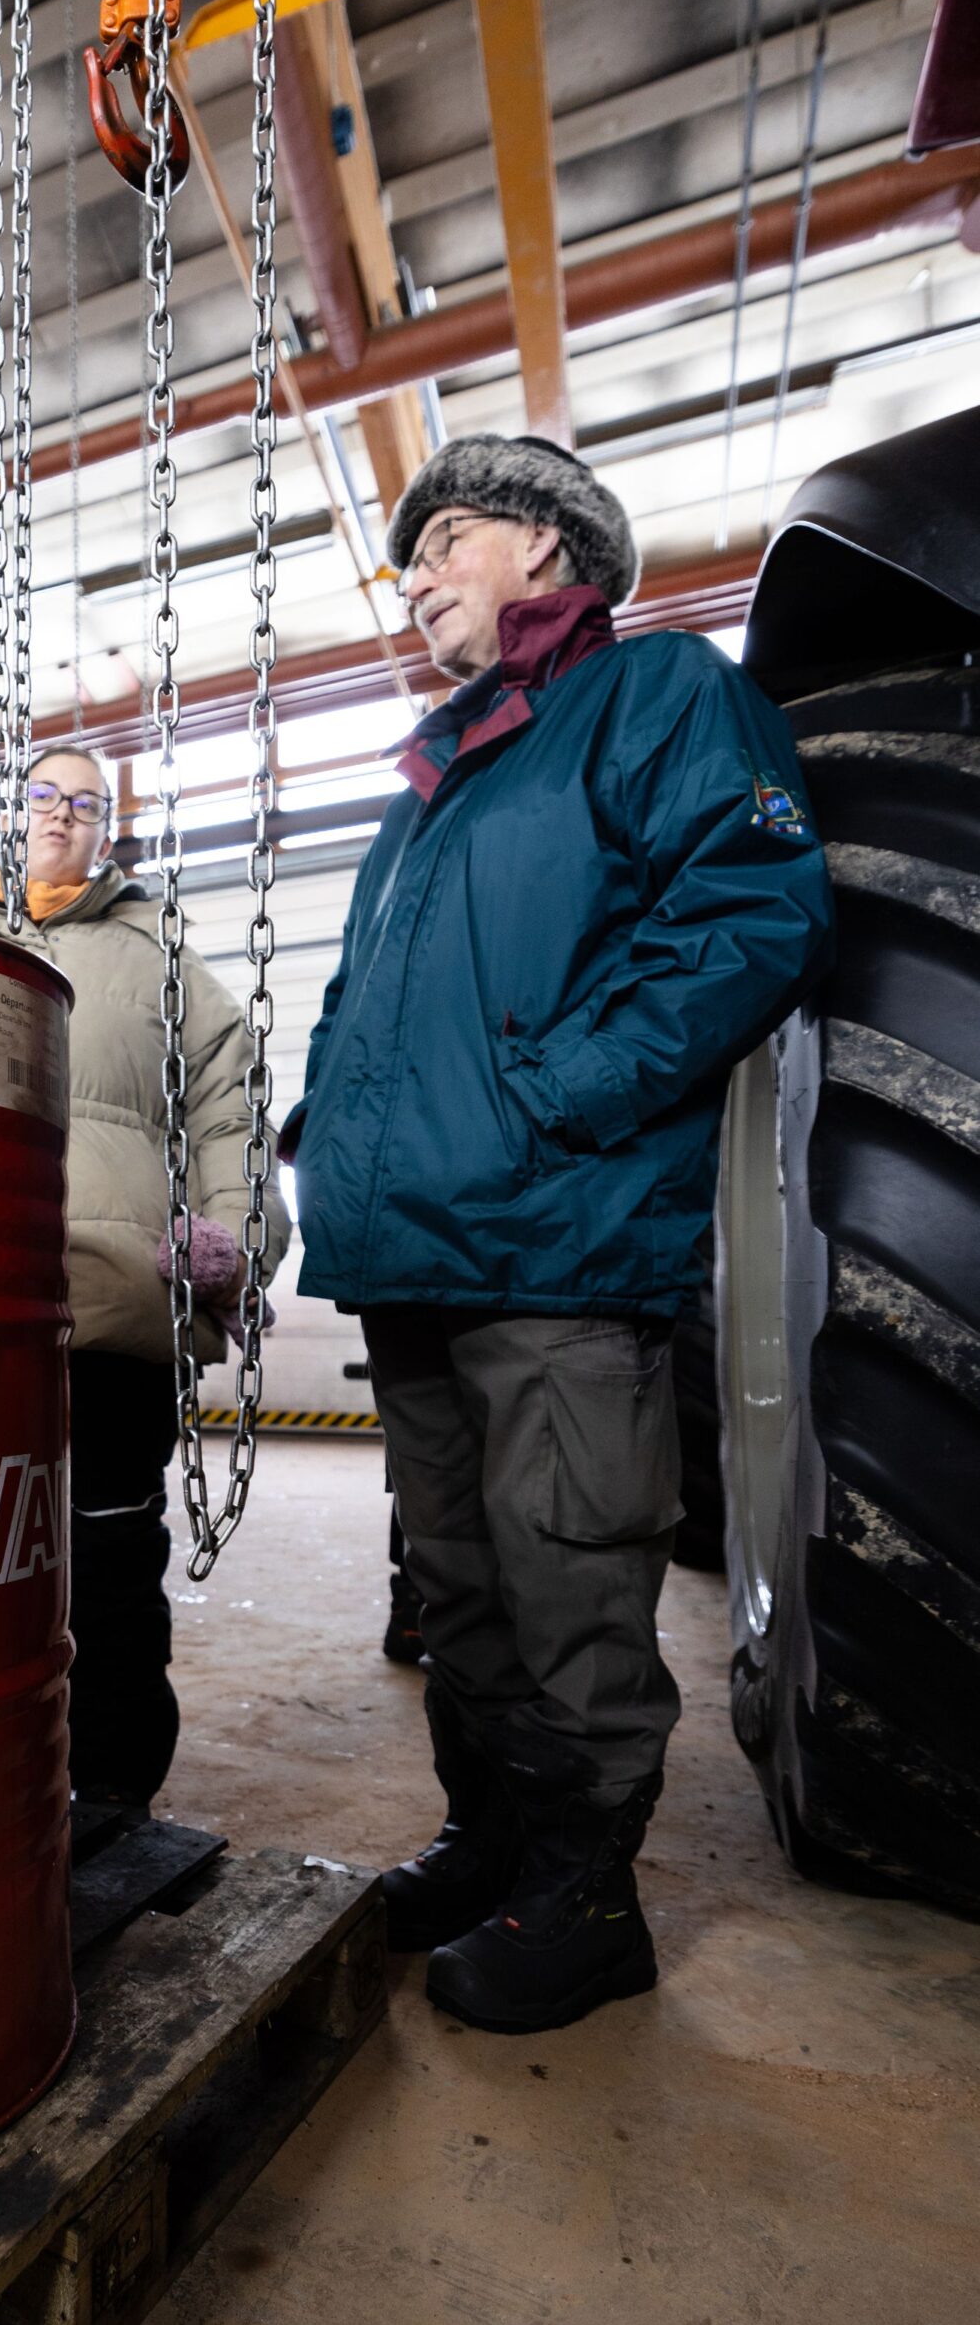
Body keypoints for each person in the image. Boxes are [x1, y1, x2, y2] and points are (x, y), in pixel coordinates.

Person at [282, 435, 833, 2033]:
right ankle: (497, 1838)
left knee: (567, 1572)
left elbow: (756, 909)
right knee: (456, 1582)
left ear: (544, 544)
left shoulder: (657, 696)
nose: (415, 577)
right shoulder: (437, 778)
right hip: (414, 1250)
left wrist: (558, 1094)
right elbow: (365, 1001)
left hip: (557, 1239)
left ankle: (591, 1899)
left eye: (443, 538)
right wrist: (334, 1138)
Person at [0, 745, 290, 1812]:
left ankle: (113, 1789)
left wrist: (237, 1238)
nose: (60, 816)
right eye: (42, 795)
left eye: (86, 804)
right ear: (9, 811)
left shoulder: (158, 954)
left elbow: (231, 1108)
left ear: (109, 831)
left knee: (106, 1555)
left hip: (115, 1308)